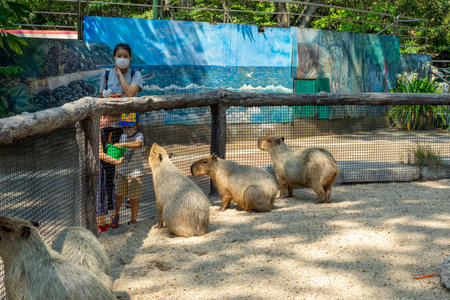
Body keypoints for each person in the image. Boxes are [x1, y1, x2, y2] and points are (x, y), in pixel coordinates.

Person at [110, 113, 147, 228]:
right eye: (124, 127)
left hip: (136, 174)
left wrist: (123, 144)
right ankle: (115, 216)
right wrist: (117, 170)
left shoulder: (139, 136)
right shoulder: (123, 136)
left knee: (134, 199)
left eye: (129, 127)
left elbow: (138, 144)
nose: (126, 130)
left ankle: (133, 220)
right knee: (118, 196)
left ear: (137, 125)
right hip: (123, 172)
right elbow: (121, 154)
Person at [97, 115, 124, 233]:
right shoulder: (97, 131)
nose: (110, 120)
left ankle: (102, 224)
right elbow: (100, 154)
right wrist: (117, 162)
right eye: (108, 117)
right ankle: (100, 225)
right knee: (99, 194)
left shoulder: (104, 130)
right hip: (98, 168)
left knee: (103, 193)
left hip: (103, 167)